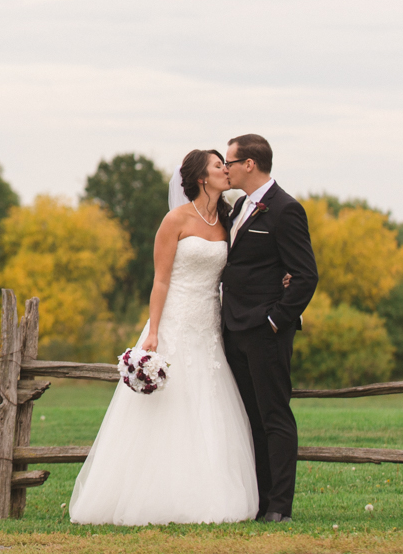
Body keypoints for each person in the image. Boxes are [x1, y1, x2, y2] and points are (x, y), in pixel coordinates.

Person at [69, 148, 259, 526]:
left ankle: (208, 492)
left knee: (208, 403)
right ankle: (152, 494)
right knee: (168, 406)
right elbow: (160, 280)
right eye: (219, 166)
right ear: (201, 178)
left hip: (209, 324)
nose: (226, 170)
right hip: (173, 320)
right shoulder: (175, 220)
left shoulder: (227, 219)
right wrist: (153, 331)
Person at [219, 133, 319, 523]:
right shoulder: (241, 205)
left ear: (249, 164)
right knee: (251, 418)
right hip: (233, 330)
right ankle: (259, 502)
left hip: (265, 332)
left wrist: (277, 320)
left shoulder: (285, 209)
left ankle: (280, 506)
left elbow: (306, 275)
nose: (225, 168)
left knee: (275, 416)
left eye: (229, 161)